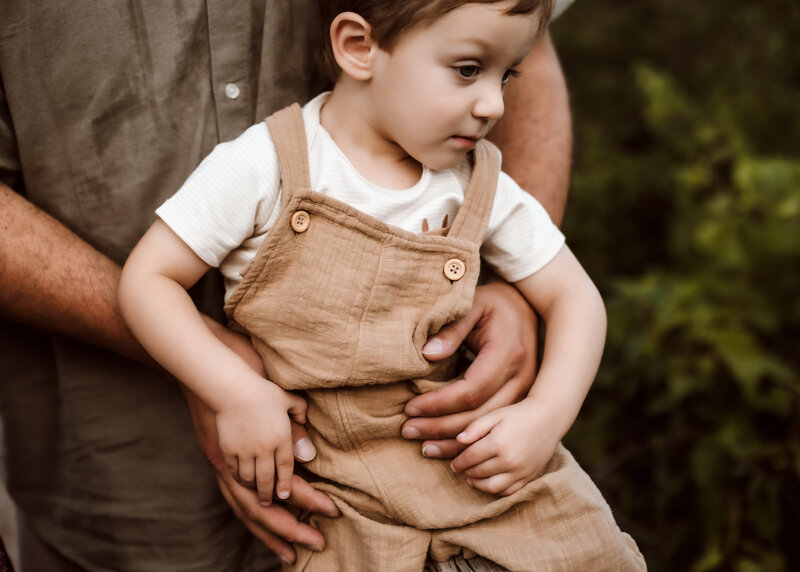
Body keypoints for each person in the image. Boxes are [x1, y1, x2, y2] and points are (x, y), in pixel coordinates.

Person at [0, 0, 578, 570]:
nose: (494, 105)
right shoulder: (265, 163)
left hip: (462, 485)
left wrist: (544, 409)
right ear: (357, 47)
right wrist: (233, 386)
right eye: (469, 71)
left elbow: (576, 298)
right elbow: (148, 280)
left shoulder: (476, 179)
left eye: (508, 74)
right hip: (140, 472)